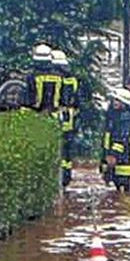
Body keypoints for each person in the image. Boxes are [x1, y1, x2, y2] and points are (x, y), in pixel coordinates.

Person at [103, 88, 130, 192]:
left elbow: (122, 138)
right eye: (114, 99)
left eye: (118, 100)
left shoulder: (127, 118)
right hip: (113, 155)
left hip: (124, 156)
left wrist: (113, 154)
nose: (115, 102)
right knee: (116, 187)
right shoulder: (113, 115)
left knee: (123, 186)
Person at [52, 50, 79, 187]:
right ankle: (66, 176)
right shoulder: (72, 79)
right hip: (70, 119)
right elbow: (76, 101)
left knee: (59, 148)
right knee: (67, 150)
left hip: (58, 117)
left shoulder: (57, 79)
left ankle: (60, 177)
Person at [23, 43, 63, 113]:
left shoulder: (31, 75)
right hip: (55, 112)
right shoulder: (59, 75)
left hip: (36, 112)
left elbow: (28, 98)